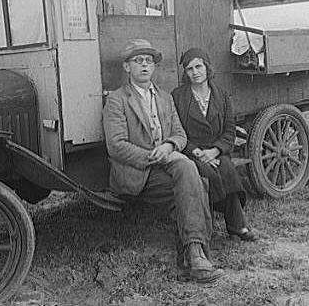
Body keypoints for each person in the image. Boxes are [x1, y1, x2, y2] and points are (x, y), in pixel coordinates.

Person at [103, 39, 224, 282]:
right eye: (138, 61)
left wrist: (168, 145)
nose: (144, 66)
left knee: (188, 170)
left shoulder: (165, 97)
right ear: (127, 68)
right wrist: (152, 156)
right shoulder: (117, 99)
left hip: (167, 161)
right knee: (196, 181)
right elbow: (116, 146)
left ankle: (193, 253)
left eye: (149, 61)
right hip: (138, 173)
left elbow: (180, 135)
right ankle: (196, 254)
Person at [172, 47, 258, 241]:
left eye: (198, 66)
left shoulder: (222, 95)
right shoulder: (178, 96)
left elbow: (229, 131)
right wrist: (196, 152)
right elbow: (176, 131)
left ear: (207, 67)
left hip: (216, 149)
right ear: (185, 73)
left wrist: (215, 151)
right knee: (207, 172)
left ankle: (237, 225)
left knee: (226, 167)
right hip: (190, 151)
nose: (195, 72)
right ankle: (203, 225)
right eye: (189, 69)